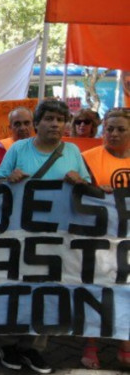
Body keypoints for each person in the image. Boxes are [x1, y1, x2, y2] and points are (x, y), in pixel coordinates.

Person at [0, 99, 91, 374]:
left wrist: (80, 181)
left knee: (47, 290)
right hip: (20, 235)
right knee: (16, 289)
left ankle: (34, 348)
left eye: (60, 120)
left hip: (57, 238)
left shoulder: (72, 152)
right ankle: (9, 344)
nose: (54, 124)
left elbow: (88, 191)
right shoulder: (18, 149)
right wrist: (8, 178)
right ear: (37, 123)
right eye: (48, 119)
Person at [79, 108, 130, 369]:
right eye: (109, 128)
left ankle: (125, 345)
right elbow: (77, 193)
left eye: (121, 129)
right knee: (98, 289)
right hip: (98, 238)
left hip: (128, 240)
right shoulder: (88, 158)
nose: (114, 134)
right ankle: (91, 345)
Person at [0, 107, 33, 171]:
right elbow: (0, 173)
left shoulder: (40, 144)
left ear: (33, 125)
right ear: (10, 127)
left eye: (26, 123)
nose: (22, 128)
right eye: (17, 124)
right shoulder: (2, 145)